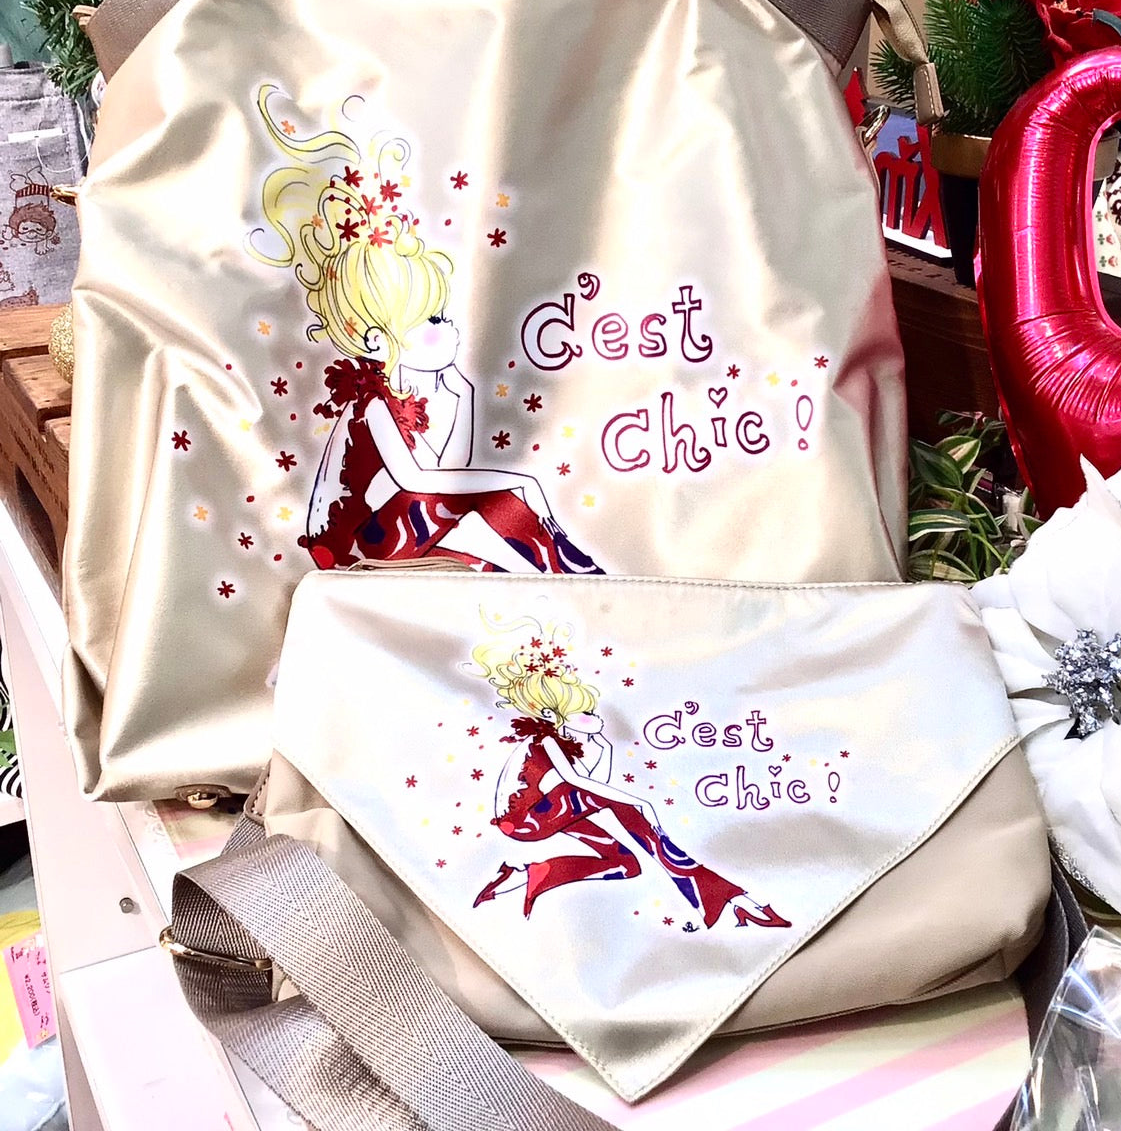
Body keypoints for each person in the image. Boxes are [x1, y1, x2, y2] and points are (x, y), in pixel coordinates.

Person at [251, 85, 604, 575]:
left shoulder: (413, 400)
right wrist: (514, 481)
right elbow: (419, 480)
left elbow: (450, 476)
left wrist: (465, 398)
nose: (452, 329)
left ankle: (564, 573)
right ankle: (559, 576)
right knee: (490, 513)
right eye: (433, 319)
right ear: (378, 339)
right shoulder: (373, 404)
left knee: (491, 514)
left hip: (404, 523)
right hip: (361, 542)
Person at [471, 615, 789, 929]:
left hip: (546, 815)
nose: (595, 716)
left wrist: (605, 749)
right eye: (584, 711)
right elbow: (579, 783)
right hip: (525, 820)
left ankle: (526, 876)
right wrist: (639, 803)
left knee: (626, 864)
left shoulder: (564, 744)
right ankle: (722, 896)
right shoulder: (545, 740)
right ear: (550, 713)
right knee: (629, 812)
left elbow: (593, 784)